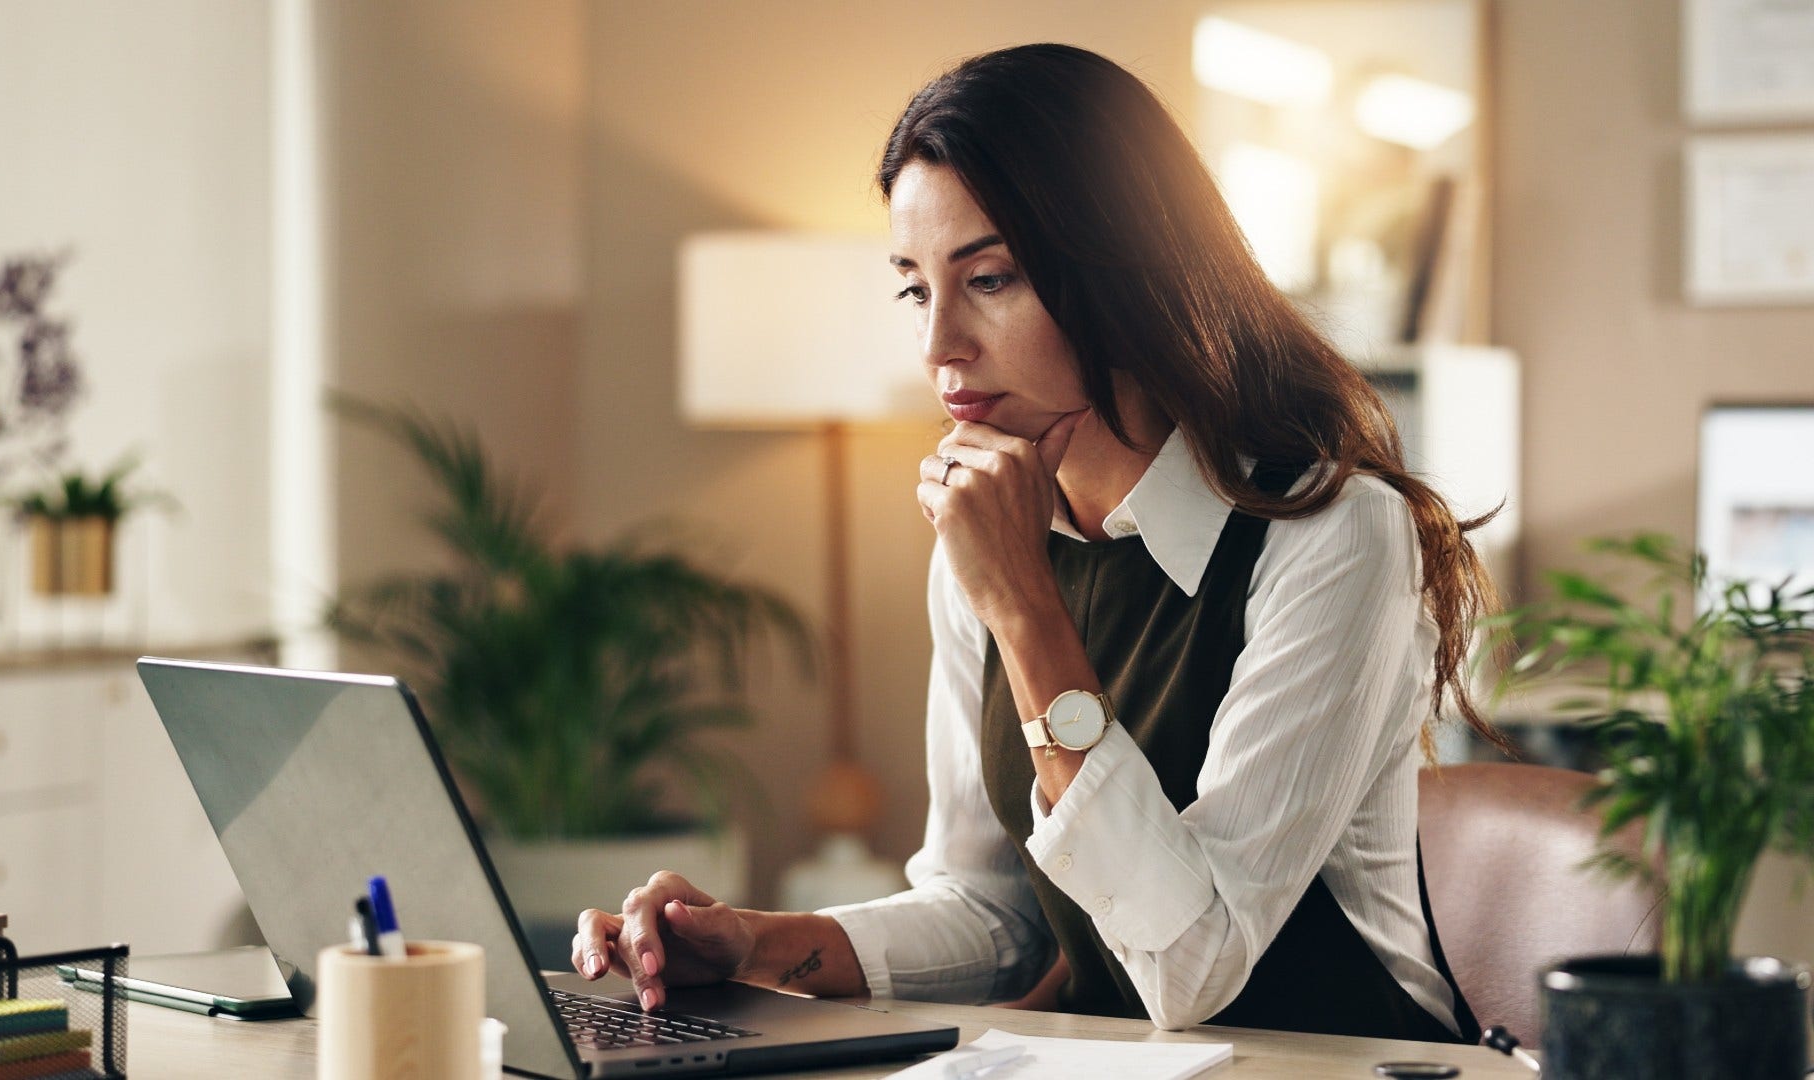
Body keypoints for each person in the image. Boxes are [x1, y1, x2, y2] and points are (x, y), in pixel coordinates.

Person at [571, 42, 1500, 1042]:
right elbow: (995, 914)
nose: (940, 347)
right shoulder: (991, 539)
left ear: (1125, 275)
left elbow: (1197, 966)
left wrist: (1023, 606)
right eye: (915, 289)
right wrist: (751, 944)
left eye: (991, 278)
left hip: (1347, 1060)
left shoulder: (1334, 534)